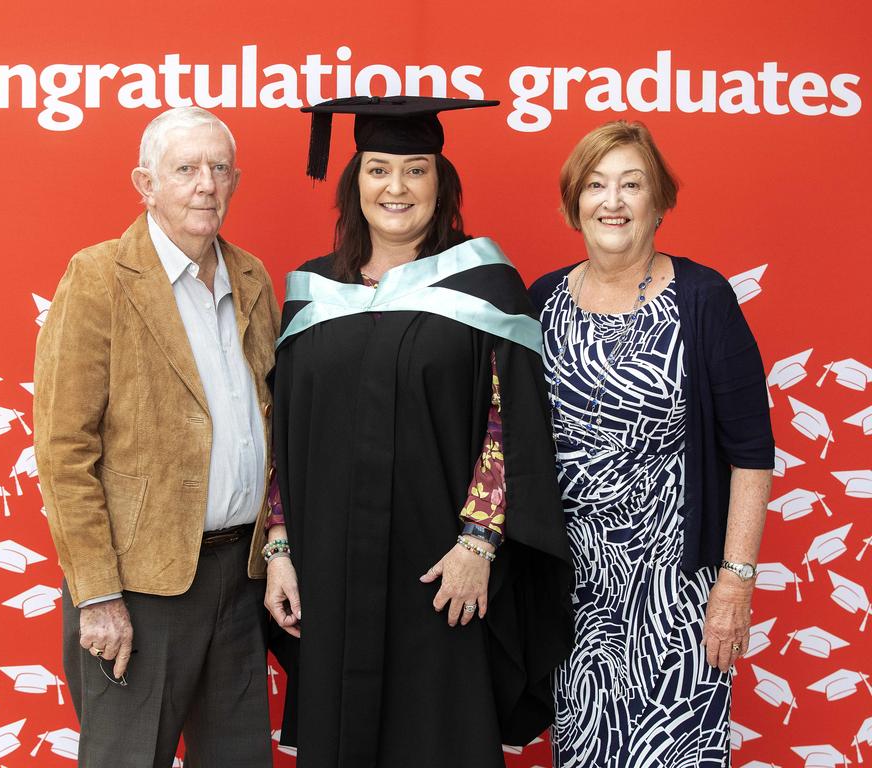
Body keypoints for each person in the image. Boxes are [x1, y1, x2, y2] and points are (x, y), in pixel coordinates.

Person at [262, 96, 574, 768]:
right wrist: (280, 548)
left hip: (441, 569)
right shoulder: (313, 292)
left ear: (442, 183)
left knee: (436, 737)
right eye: (378, 169)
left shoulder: (485, 286)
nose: (395, 188)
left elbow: (509, 422)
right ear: (355, 182)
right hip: (330, 565)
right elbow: (283, 435)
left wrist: (481, 542)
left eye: (415, 170)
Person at [33, 106, 279, 768]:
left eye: (219, 169)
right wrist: (99, 595)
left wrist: (278, 548)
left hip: (240, 577)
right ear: (145, 183)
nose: (206, 184)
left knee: (238, 759)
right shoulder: (98, 277)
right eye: (186, 169)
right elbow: (63, 455)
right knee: (127, 758)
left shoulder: (251, 277)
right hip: (139, 586)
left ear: (235, 180)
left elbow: (273, 423)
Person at [528, 120, 774, 766]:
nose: (612, 201)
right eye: (596, 185)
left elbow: (750, 453)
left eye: (631, 185)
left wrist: (735, 583)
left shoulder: (703, 299)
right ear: (573, 202)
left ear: (659, 201)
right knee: (585, 751)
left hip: (680, 595)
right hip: (577, 593)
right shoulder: (541, 302)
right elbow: (508, 439)